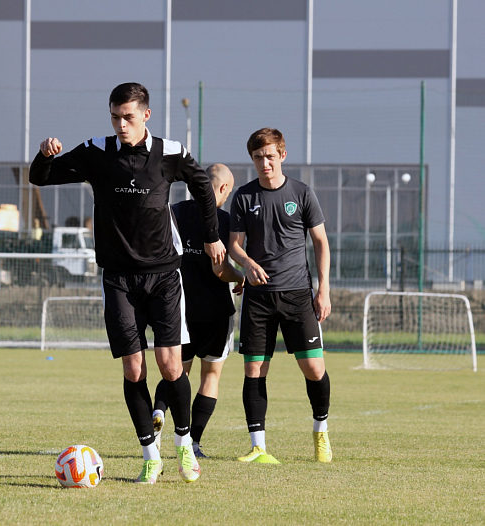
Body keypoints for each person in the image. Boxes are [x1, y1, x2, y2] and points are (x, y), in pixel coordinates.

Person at [29, 82, 225, 484]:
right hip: (118, 278)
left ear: (146, 115)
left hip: (164, 276)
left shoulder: (169, 152)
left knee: (171, 365)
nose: (121, 125)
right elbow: (41, 178)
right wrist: (44, 155)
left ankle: (184, 444)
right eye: (115, 117)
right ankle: (150, 456)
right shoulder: (97, 152)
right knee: (134, 369)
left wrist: (211, 236)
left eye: (129, 117)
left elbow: (203, 186)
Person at [228, 128, 333, 464]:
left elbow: (321, 242)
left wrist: (323, 289)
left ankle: (320, 431)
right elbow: (234, 246)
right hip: (258, 299)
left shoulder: (301, 193)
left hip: (298, 295)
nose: (265, 163)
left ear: (282, 155)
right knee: (254, 370)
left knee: (313, 368)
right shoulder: (244, 197)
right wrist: (247, 264)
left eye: (270, 156)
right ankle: (258, 446)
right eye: (258, 157)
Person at [151, 164, 245, 459]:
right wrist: (240, 277)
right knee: (211, 376)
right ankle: (193, 443)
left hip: (178, 309)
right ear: (224, 188)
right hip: (215, 312)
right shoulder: (224, 220)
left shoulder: (176, 212)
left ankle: (158, 411)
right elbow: (220, 270)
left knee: (175, 372)